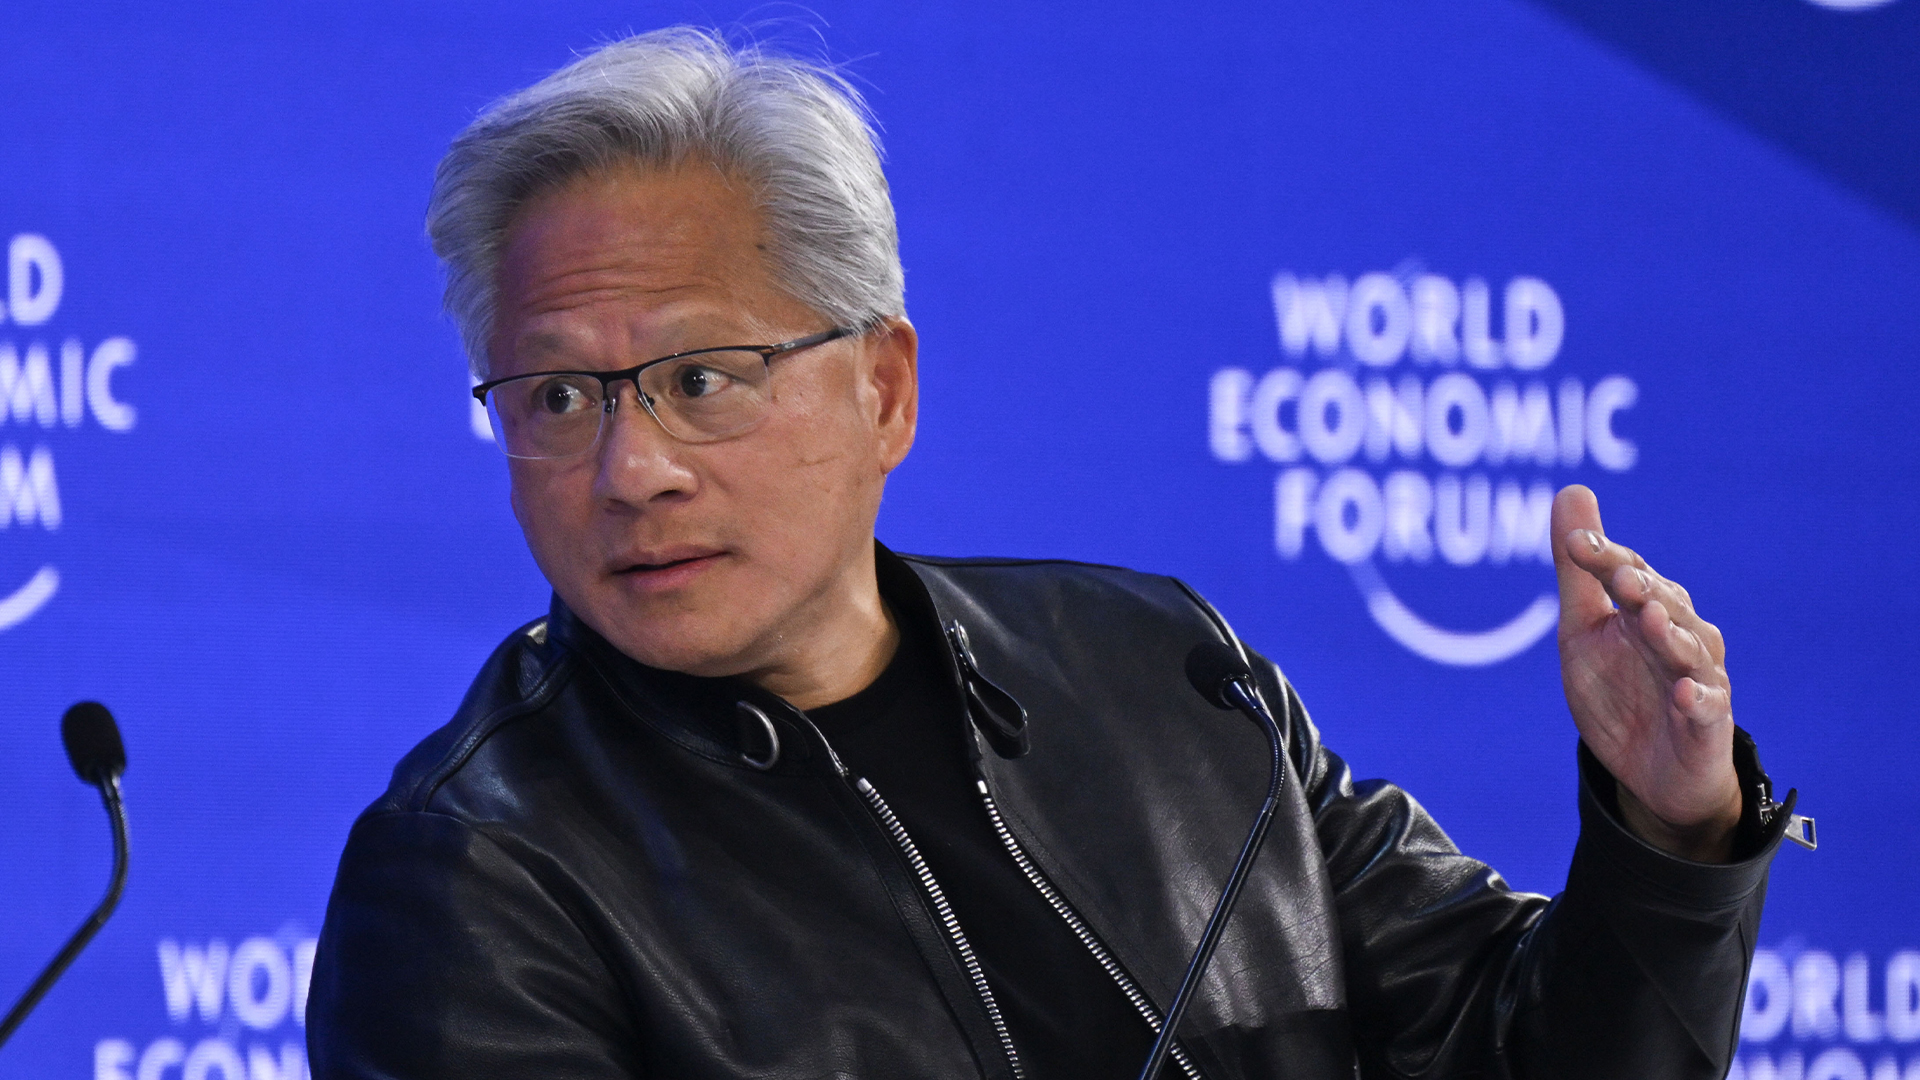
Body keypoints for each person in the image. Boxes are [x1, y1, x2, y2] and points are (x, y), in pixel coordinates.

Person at [307, 27, 1797, 1080]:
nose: (630, 469)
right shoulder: (475, 877)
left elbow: (1523, 1052)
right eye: (556, 397)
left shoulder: (1162, 674)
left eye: (701, 378)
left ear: (883, 386)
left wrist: (1667, 836)